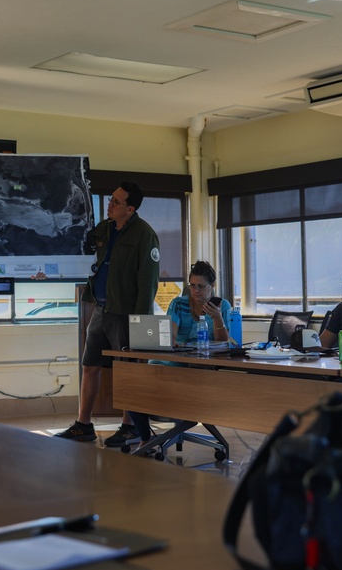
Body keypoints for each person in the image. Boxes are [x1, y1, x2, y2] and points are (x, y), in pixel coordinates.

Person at [55, 182, 160, 446]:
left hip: (127, 314)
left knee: (127, 371)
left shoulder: (145, 235)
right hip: (101, 308)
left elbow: (148, 283)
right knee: (90, 366)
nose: (110, 204)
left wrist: (140, 322)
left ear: (130, 209)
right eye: (111, 199)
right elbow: (76, 249)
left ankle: (130, 427)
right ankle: (83, 425)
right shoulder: (104, 228)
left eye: (116, 202)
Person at [126, 261, 231, 443]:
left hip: (201, 367)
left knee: (159, 385)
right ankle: (145, 438)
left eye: (201, 286)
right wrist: (172, 341)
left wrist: (217, 319)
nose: (196, 290)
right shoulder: (178, 303)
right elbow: (171, 333)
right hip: (172, 362)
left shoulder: (222, 306)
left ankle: (157, 431)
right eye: (192, 286)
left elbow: (224, 341)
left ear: (212, 286)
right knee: (130, 386)